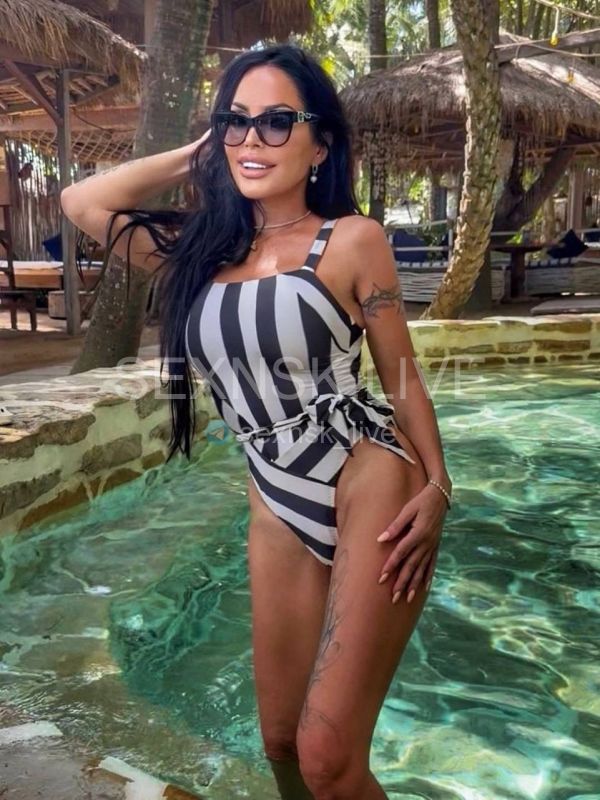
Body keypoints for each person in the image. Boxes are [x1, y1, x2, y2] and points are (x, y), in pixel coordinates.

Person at [61, 44, 452, 800]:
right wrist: (203, 150)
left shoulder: (351, 240)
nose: (253, 139)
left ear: (320, 144)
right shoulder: (197, 254)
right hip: (273, 491)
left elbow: (401, 376)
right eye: (236, 121)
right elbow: (83, 200)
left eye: (277, 122)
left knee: (327, 754)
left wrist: (438, 485)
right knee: (280, 743)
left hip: (366, 468)